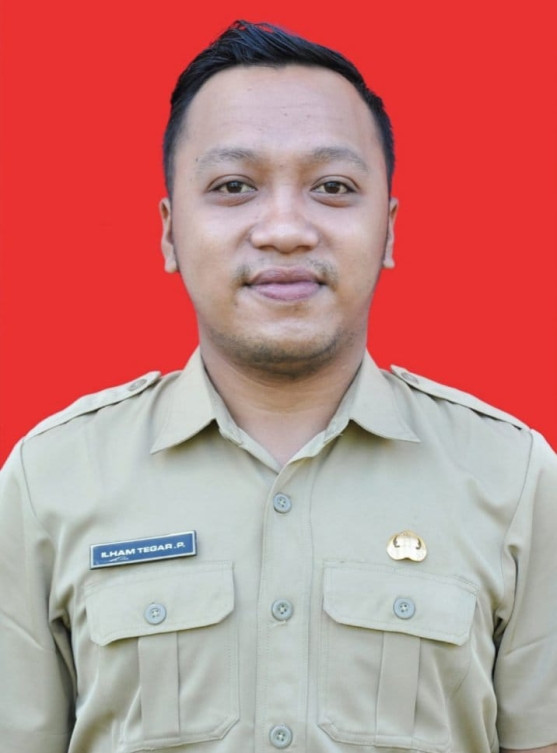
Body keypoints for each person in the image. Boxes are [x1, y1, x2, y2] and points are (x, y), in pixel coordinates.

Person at [0, 19, 555, 753]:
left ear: (388, 230)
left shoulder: (514, 478)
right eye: (233, 187)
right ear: (169, 231)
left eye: (333, 187)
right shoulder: (49, 478)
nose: (285, 229)